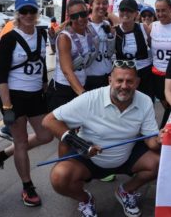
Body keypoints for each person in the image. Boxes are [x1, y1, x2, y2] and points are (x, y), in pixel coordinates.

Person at [43, 61, 160, 217]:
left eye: (129, 81)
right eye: (119, 80)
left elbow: (151, 140)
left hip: (127, 156)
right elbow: (49, 120)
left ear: (137, 82)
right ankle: (85, 199)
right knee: (59, 177)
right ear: (110, 80)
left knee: (160, 162)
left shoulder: (145, 101)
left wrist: (160, 140)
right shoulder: (90, 99)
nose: (124, 86)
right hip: (89, 159)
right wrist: (81, 145)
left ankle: (126, 191)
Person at [0, 0, 53, 207]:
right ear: (17, 14)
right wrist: (7, 106)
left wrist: (45, 86)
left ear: (37, 14)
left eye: (32, 11)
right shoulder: (9, 38)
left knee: (46, 135)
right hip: (14, 97)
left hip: (35, 96)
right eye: (23, 12)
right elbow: (2, 76)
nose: (28, 15)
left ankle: (1, 156)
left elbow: (42, 63)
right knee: (21, 142)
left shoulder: (42, 35)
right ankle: (27, 186)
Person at [47, 0, 98, 111]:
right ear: (69, 18)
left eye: (83, 14)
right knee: (64, 128)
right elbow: (67, 71)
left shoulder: (89, 31)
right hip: (64, 90)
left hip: (81, 84)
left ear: (88, 13)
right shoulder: (65, 38)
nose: (80, 19)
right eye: (74, 16)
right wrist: (83, 94)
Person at [149, 0, 171, 122]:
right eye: (157, 10)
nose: (160, 13)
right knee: (168, 107)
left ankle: (167, 129)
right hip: (157, 74)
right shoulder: (153, 26)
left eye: (163, 10)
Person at [115, 0, 154, 101]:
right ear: (118, 12)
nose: (125, 13)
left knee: (146, 103)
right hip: (124, 74)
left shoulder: (144, 28)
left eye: (129, 11)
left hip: (144, 74)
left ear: (136, 14)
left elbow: (153, 48)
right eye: (123, 10)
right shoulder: (114, 31)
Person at [85, 0, 116, 91]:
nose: (101, 6)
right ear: (91, 6)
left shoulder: (107, 25)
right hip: (90, 76)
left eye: (105, 3)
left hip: (107, 75)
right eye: (98, 3)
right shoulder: (84, 25)